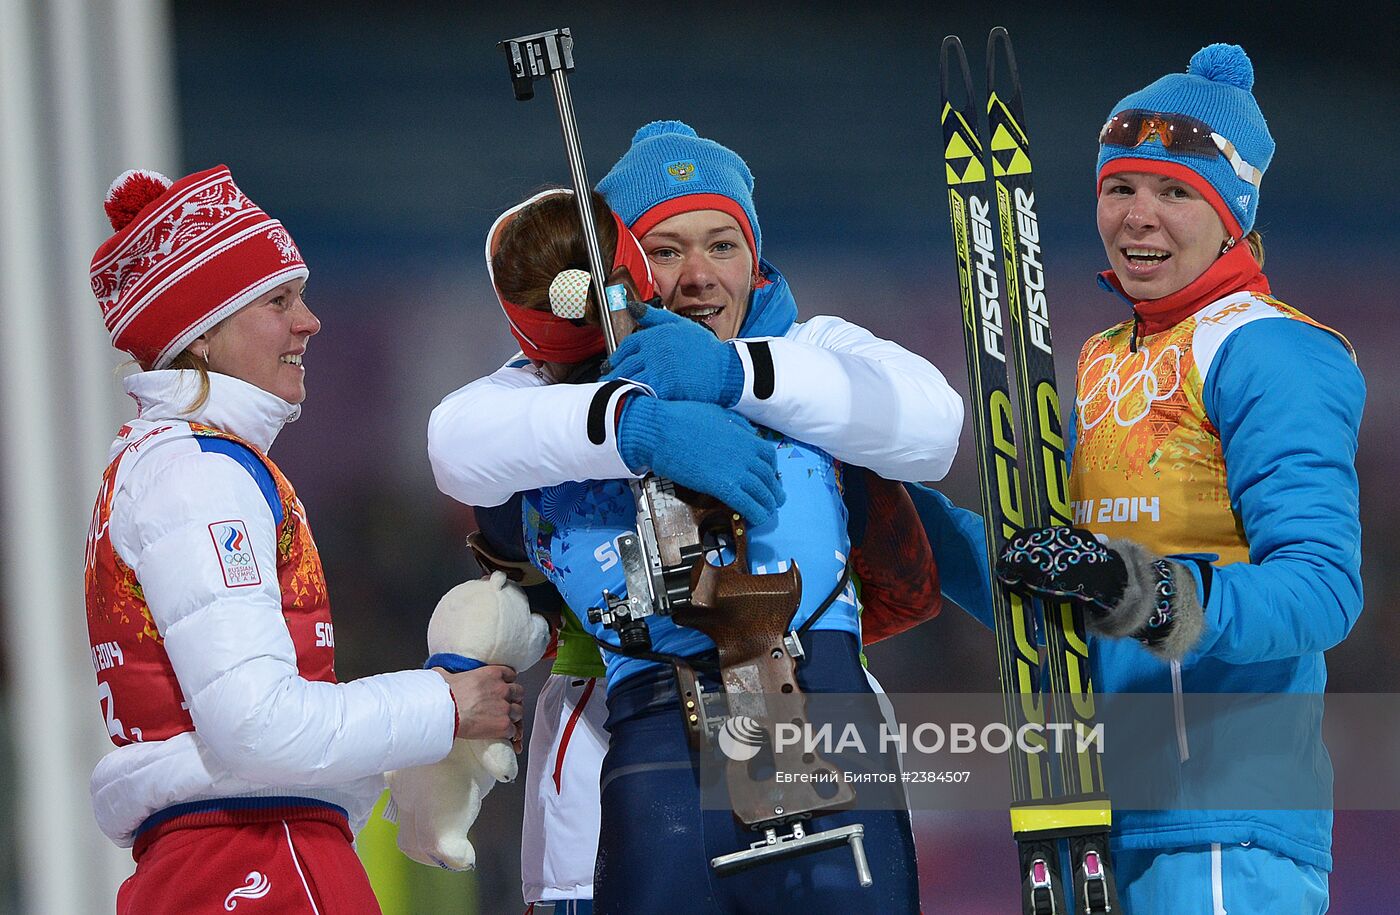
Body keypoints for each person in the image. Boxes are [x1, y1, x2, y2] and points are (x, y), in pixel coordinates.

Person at [429, 122, 964, 913]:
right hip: (648, 738)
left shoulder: (809, 346)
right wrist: (632, 424)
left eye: (723, 244)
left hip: (816, 717)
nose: (698, 276)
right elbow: (456, 441)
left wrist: (731, 373)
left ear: (756, 255)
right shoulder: (559, 384)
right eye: (666, 250)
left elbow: (932, 424)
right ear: (618, 267)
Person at [909, 44, 1364, 914]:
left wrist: (1148, 592)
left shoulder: (1271, 349)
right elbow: (1049, 580)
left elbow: (1321, 589)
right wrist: (902, 518)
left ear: (1232, 213)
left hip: (1228, 820)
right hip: (1089, 810)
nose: (1138, 217)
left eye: (1176, 192)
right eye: (1121, 188)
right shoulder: (1101, 360)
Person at [83, 165, 525, 914]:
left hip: (213, 861)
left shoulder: (173, 466)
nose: (309, 321)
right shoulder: (200, 476)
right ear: (204, 336)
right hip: (259, 857)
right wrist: (445, 706)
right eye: (278, 300)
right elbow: (259, 726)